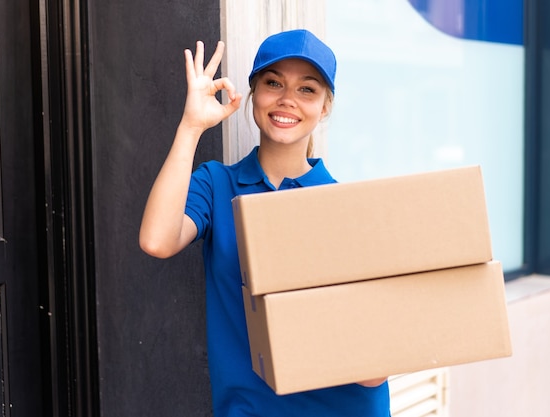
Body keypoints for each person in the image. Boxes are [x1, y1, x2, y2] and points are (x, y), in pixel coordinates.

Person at [139, 29, 390, 417]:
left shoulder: (345, 207)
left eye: (307, 89)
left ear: (325, 107)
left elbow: (372, 370)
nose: (287, 99)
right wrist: (190, 127)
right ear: (254, 94)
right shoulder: (217, 185)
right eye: (274, 83)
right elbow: (157, 240)